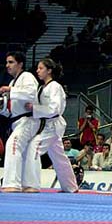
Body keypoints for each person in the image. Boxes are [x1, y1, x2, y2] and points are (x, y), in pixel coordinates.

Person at [23, 58, 79, 193]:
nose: (37, 71)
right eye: (37, 68)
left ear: (49, 71)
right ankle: (71, 187)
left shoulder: (55, 87)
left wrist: (34, 108)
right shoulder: (42, 87)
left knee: (34, 147)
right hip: (45, 124)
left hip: (53, 125)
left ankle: (33, 184)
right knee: (58, 156)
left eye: (41, 68)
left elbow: (55, 109)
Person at [0, 51, 39, 192]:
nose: (7, 65)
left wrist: (11, 90)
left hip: (27, 119)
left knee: (12, 145)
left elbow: (31, 93)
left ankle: (12, 183)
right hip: (17, 119)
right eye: (6, 62)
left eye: (11, 62)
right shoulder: (13, 81)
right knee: (28, 152)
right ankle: (30, 184)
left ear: (20, 64)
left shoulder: (27, 76)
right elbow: (13, 108)